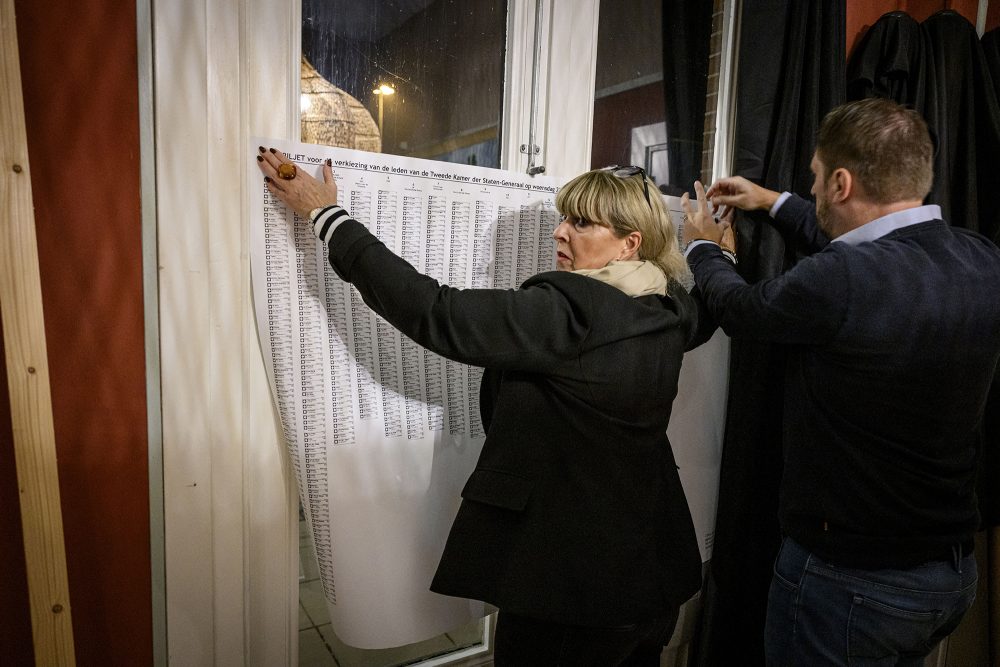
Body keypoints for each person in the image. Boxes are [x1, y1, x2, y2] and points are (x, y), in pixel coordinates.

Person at [257, 151, 728, 665]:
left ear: (629, 244)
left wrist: (328, 217)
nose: (560, 233)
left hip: (572, 595)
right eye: (563, 218)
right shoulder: (669, 310)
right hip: (651, 578)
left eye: (582, 222)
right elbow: (708, 310)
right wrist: (714, 251)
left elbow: (435, 312)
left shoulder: (569, 313)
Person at [681, 97, 1000, 666]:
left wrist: (703, 247)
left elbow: (745, 311)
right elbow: (870, 250)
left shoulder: (841, 279)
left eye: (817, 177)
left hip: (850, 584)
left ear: (843, 182)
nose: (815, 187)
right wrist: (771, 201)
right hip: (948, 576)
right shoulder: (981, 260)